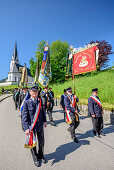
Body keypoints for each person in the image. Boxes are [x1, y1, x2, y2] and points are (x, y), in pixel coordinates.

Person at [22, 86, 47, 167]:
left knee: (42, 142)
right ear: (30, 93)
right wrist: (26, 128)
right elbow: (24, 117)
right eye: (33, 91)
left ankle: (41, 155)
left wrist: (45, 121)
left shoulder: (40, 101)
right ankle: (35, 158)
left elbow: (43, 112)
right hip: (31, 127)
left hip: (40, 126)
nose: (34, 93)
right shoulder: (26, 103)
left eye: (36, 91)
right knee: (33, 144)